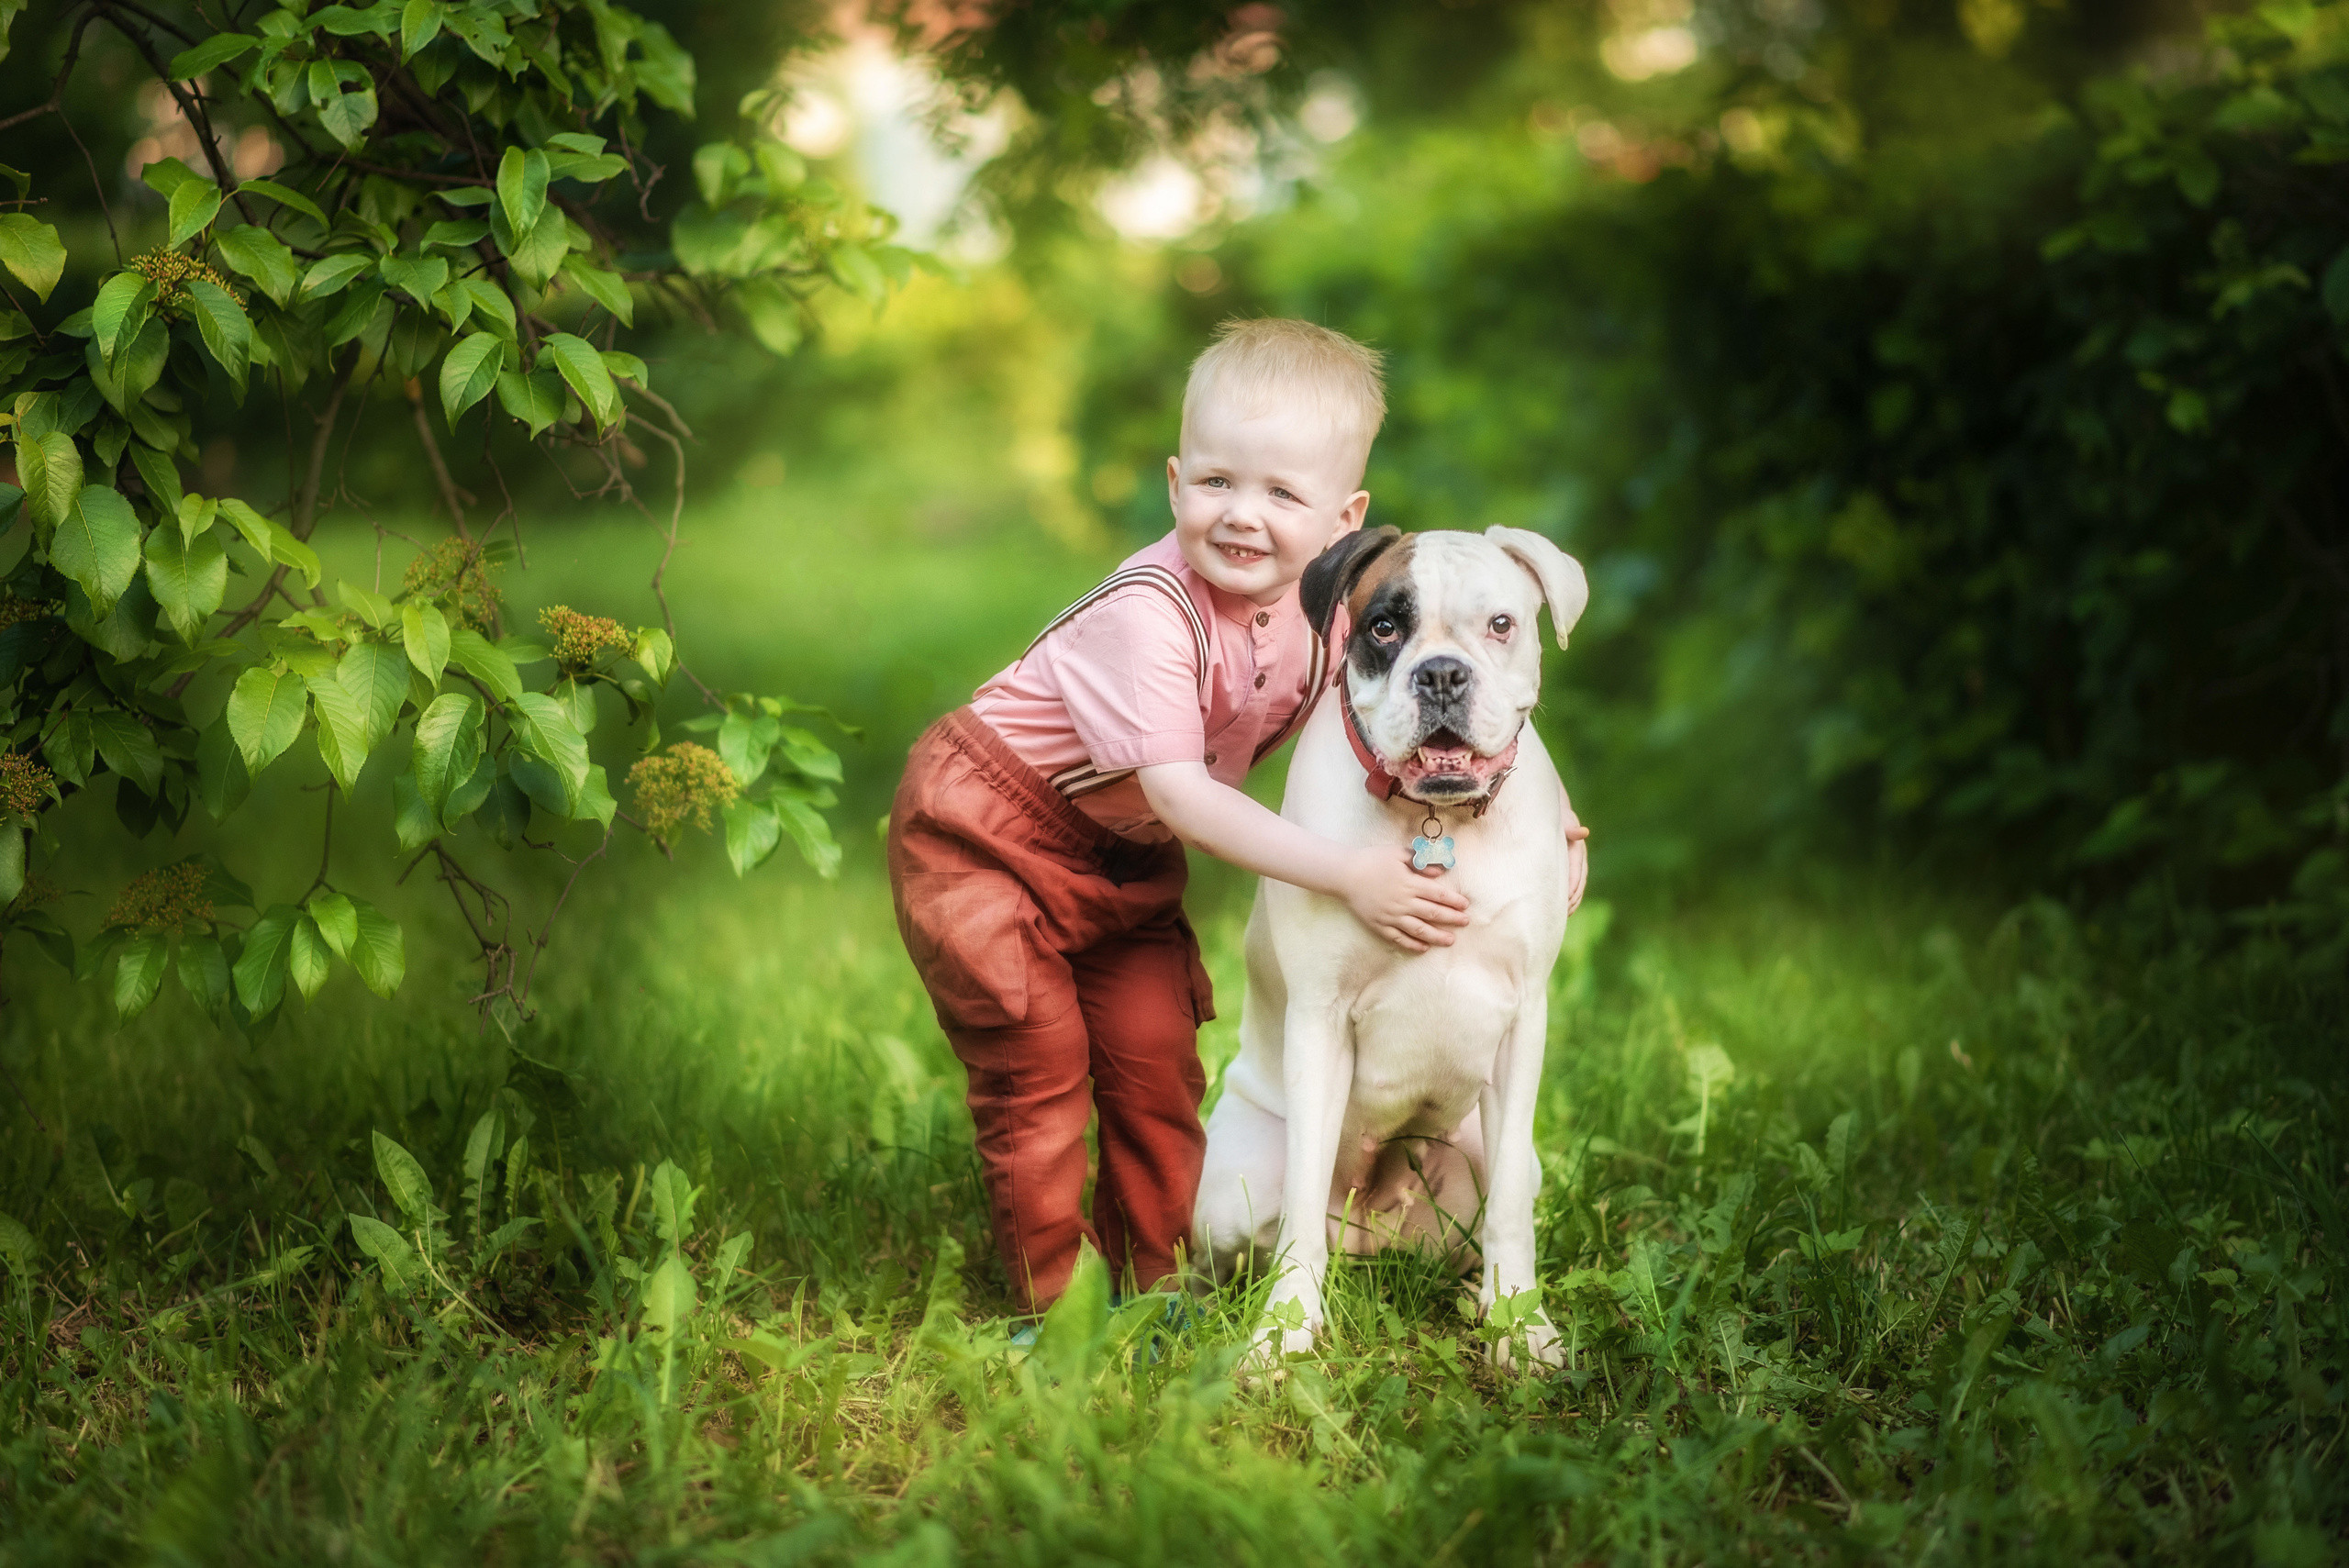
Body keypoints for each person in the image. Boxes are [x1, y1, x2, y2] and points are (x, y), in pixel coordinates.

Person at [887, 318, 1584, 1313]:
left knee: (1155, 1057)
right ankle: (1059, 1307)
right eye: (1217, 482)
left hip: (1122, 856)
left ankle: (1153, 1280)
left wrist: (1552, 816)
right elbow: (1179, 793)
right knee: (1036, 1067)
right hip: (986, 829)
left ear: (1342, 522)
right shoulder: (1148, 610)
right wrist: (1347, 872)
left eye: (1282, 493)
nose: (1243, 515)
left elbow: (1467, 702)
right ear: (1174, 484)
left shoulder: (1321, 618)